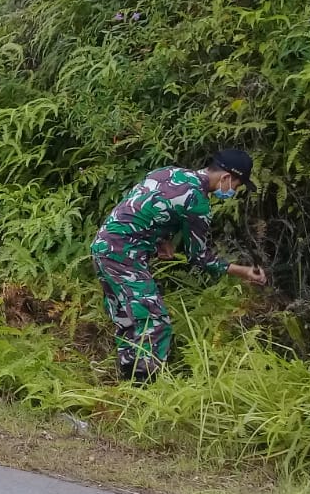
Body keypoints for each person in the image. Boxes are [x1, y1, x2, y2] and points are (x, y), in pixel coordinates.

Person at [91, 148, 267, 383]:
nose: (234, 191)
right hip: (123, 255)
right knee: (155, 323)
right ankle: (144, 390)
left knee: (128, 317)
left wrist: (161, 240)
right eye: (236, 185)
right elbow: (200, 257)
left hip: (103, 246)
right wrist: (242, 271)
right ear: (226, 178)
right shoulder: (198, 203)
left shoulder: (167, 172)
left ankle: (127, 386)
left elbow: (145, 207)